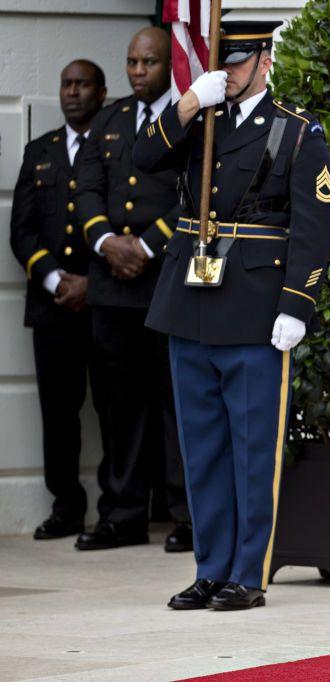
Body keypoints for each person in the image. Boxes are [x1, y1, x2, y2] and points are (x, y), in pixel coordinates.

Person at [133, 19, 330, 610]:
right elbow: (146, 158)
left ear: (266, 60)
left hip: (253, 308)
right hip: (189, 303)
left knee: (251, 449)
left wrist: (297, 303)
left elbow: (314, 231)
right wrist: (192, 101)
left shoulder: (296, 133)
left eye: (239, 61)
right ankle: (210, 567)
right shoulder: (200, 120)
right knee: (201, 449)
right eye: (219, 62)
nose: (227, 72)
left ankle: (249, 573)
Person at [74, 27, 192, 552]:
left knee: (174, 406)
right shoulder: (112, 117)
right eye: (131, 62)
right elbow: (87, 186)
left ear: (170, 65)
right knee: (118, 406)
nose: (138, 71)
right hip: (111, 287)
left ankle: (185, 515)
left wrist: (145, 246)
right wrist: (104, 242)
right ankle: (121, 514)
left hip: (163, 281)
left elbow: (193, 195)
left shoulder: (187, 119)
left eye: (149, 62)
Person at [9, 60, 106, 540]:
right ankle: (66, 505)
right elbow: (21, 232)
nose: (72, 93)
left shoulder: (116, 148)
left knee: (116, 408)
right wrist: (55, 280)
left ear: (101, 93)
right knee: (58, 413)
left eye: (82, 84)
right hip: (53, 308)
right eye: (65, 84)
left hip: (106, 304)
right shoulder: (39, 151)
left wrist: (92, 282)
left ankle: (118, 507)